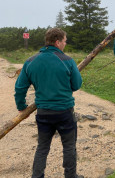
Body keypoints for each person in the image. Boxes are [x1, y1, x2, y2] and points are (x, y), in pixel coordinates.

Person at [14, 28, 82, 178]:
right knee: (69, 146)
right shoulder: (68, 60)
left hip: (44, 113)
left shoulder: (30, 61)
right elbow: (77, 85)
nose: (65, 44)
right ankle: (71, 176)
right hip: (65, 112)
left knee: (42, 147)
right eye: (64, 41)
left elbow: (20, 88)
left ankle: (37, 176)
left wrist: (21, 107)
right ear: (57, 42)